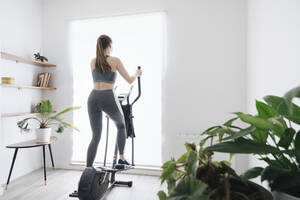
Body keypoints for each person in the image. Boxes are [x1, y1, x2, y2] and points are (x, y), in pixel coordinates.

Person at [86, 34, 142, 167]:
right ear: (110, 46)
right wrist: (137, 73)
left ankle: (87, 169)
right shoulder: (115, 60)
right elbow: (129, 80)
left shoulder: (93, 61)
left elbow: (100, 78)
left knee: (96, 136)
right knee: (121, 125)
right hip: (107, 96)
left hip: (93, 97)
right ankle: (121, 158)